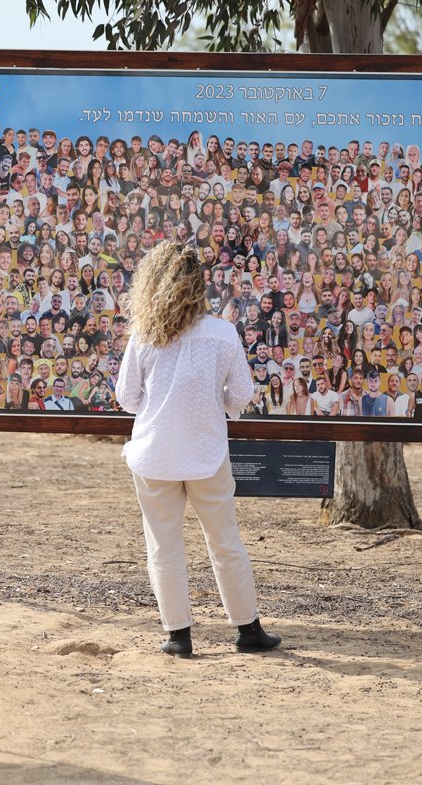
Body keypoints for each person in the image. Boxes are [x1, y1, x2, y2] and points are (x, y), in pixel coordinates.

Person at [116, 241, 280, 658]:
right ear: (200, 285)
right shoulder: (222, 333)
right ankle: (247, 628)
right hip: (207, 453)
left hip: (154, 454)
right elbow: (241, 393)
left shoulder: (144, 334)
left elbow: (127, 398)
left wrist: (157, 409)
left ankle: (178, 635)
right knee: (225, 540)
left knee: (163, 545)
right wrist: (219, 405)